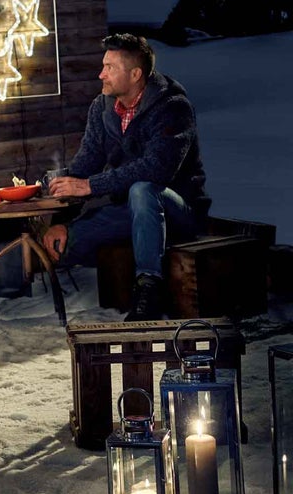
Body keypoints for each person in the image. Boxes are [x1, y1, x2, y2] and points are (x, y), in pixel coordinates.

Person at [41, 33, 210, 321]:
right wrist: (61, 222)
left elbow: (155, 170)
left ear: (135, 74)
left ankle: (149, 291)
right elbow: (86, 164)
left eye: (110, 68)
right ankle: (133, 265)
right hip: (130, 211)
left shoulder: (173, 108)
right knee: (67, 245)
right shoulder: (102, 108)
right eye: (103, 65)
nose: (101, 74)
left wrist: (90, 186)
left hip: (179, 210)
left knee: (143, 189)